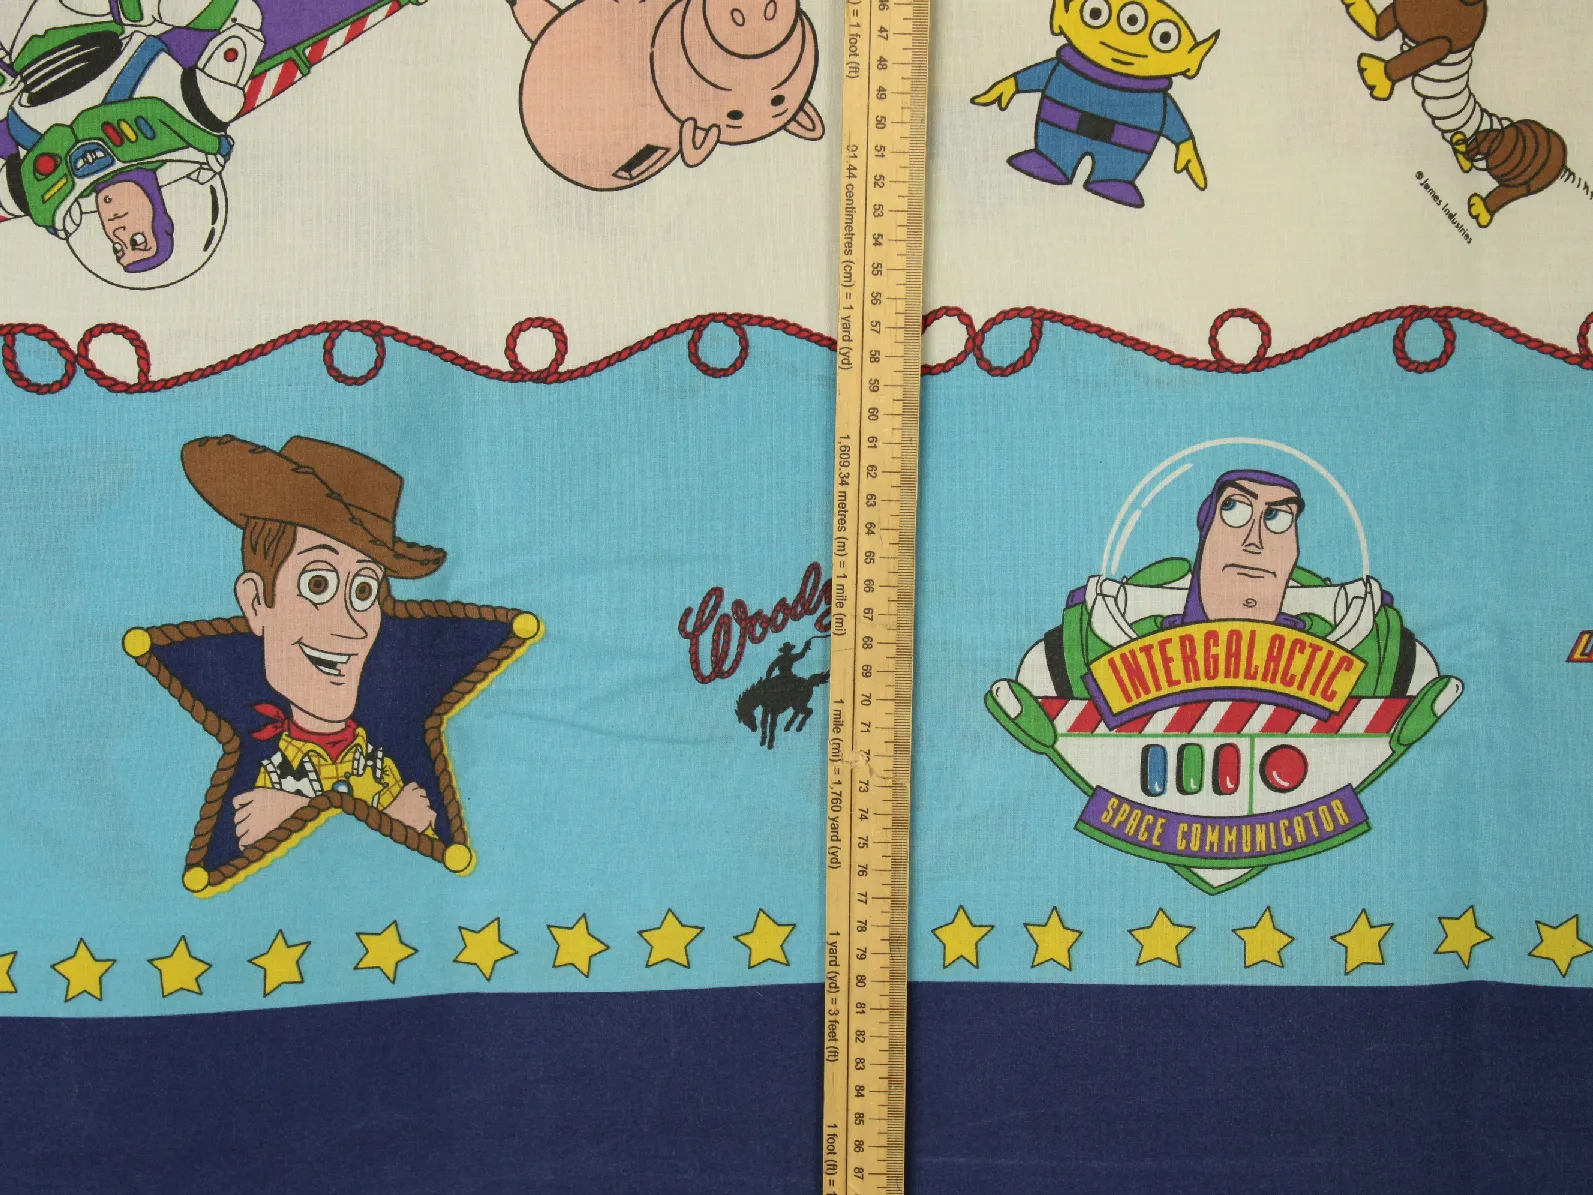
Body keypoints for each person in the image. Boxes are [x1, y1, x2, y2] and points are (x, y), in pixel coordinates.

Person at [181, 435, 447, 850]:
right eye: (318, 583)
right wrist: (390, 819)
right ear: (256, 601)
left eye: (364, 591)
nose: (351, 627)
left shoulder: (380, 766)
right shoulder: (271, 774)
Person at [1013, 469, 1440, 702]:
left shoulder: (1400, 663)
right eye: (1235, 510)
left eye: (1278, 518)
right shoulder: (1057, 662)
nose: (1254, 540)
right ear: (1205, 528)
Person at [0, 0, 263, 286]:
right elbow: (241, 29)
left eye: (117, 248)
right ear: (162, 220)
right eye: (137, 240)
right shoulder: (181, 130)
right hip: (87, 17)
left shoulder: (45, 195)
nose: (117, 232)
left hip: (17, 54)